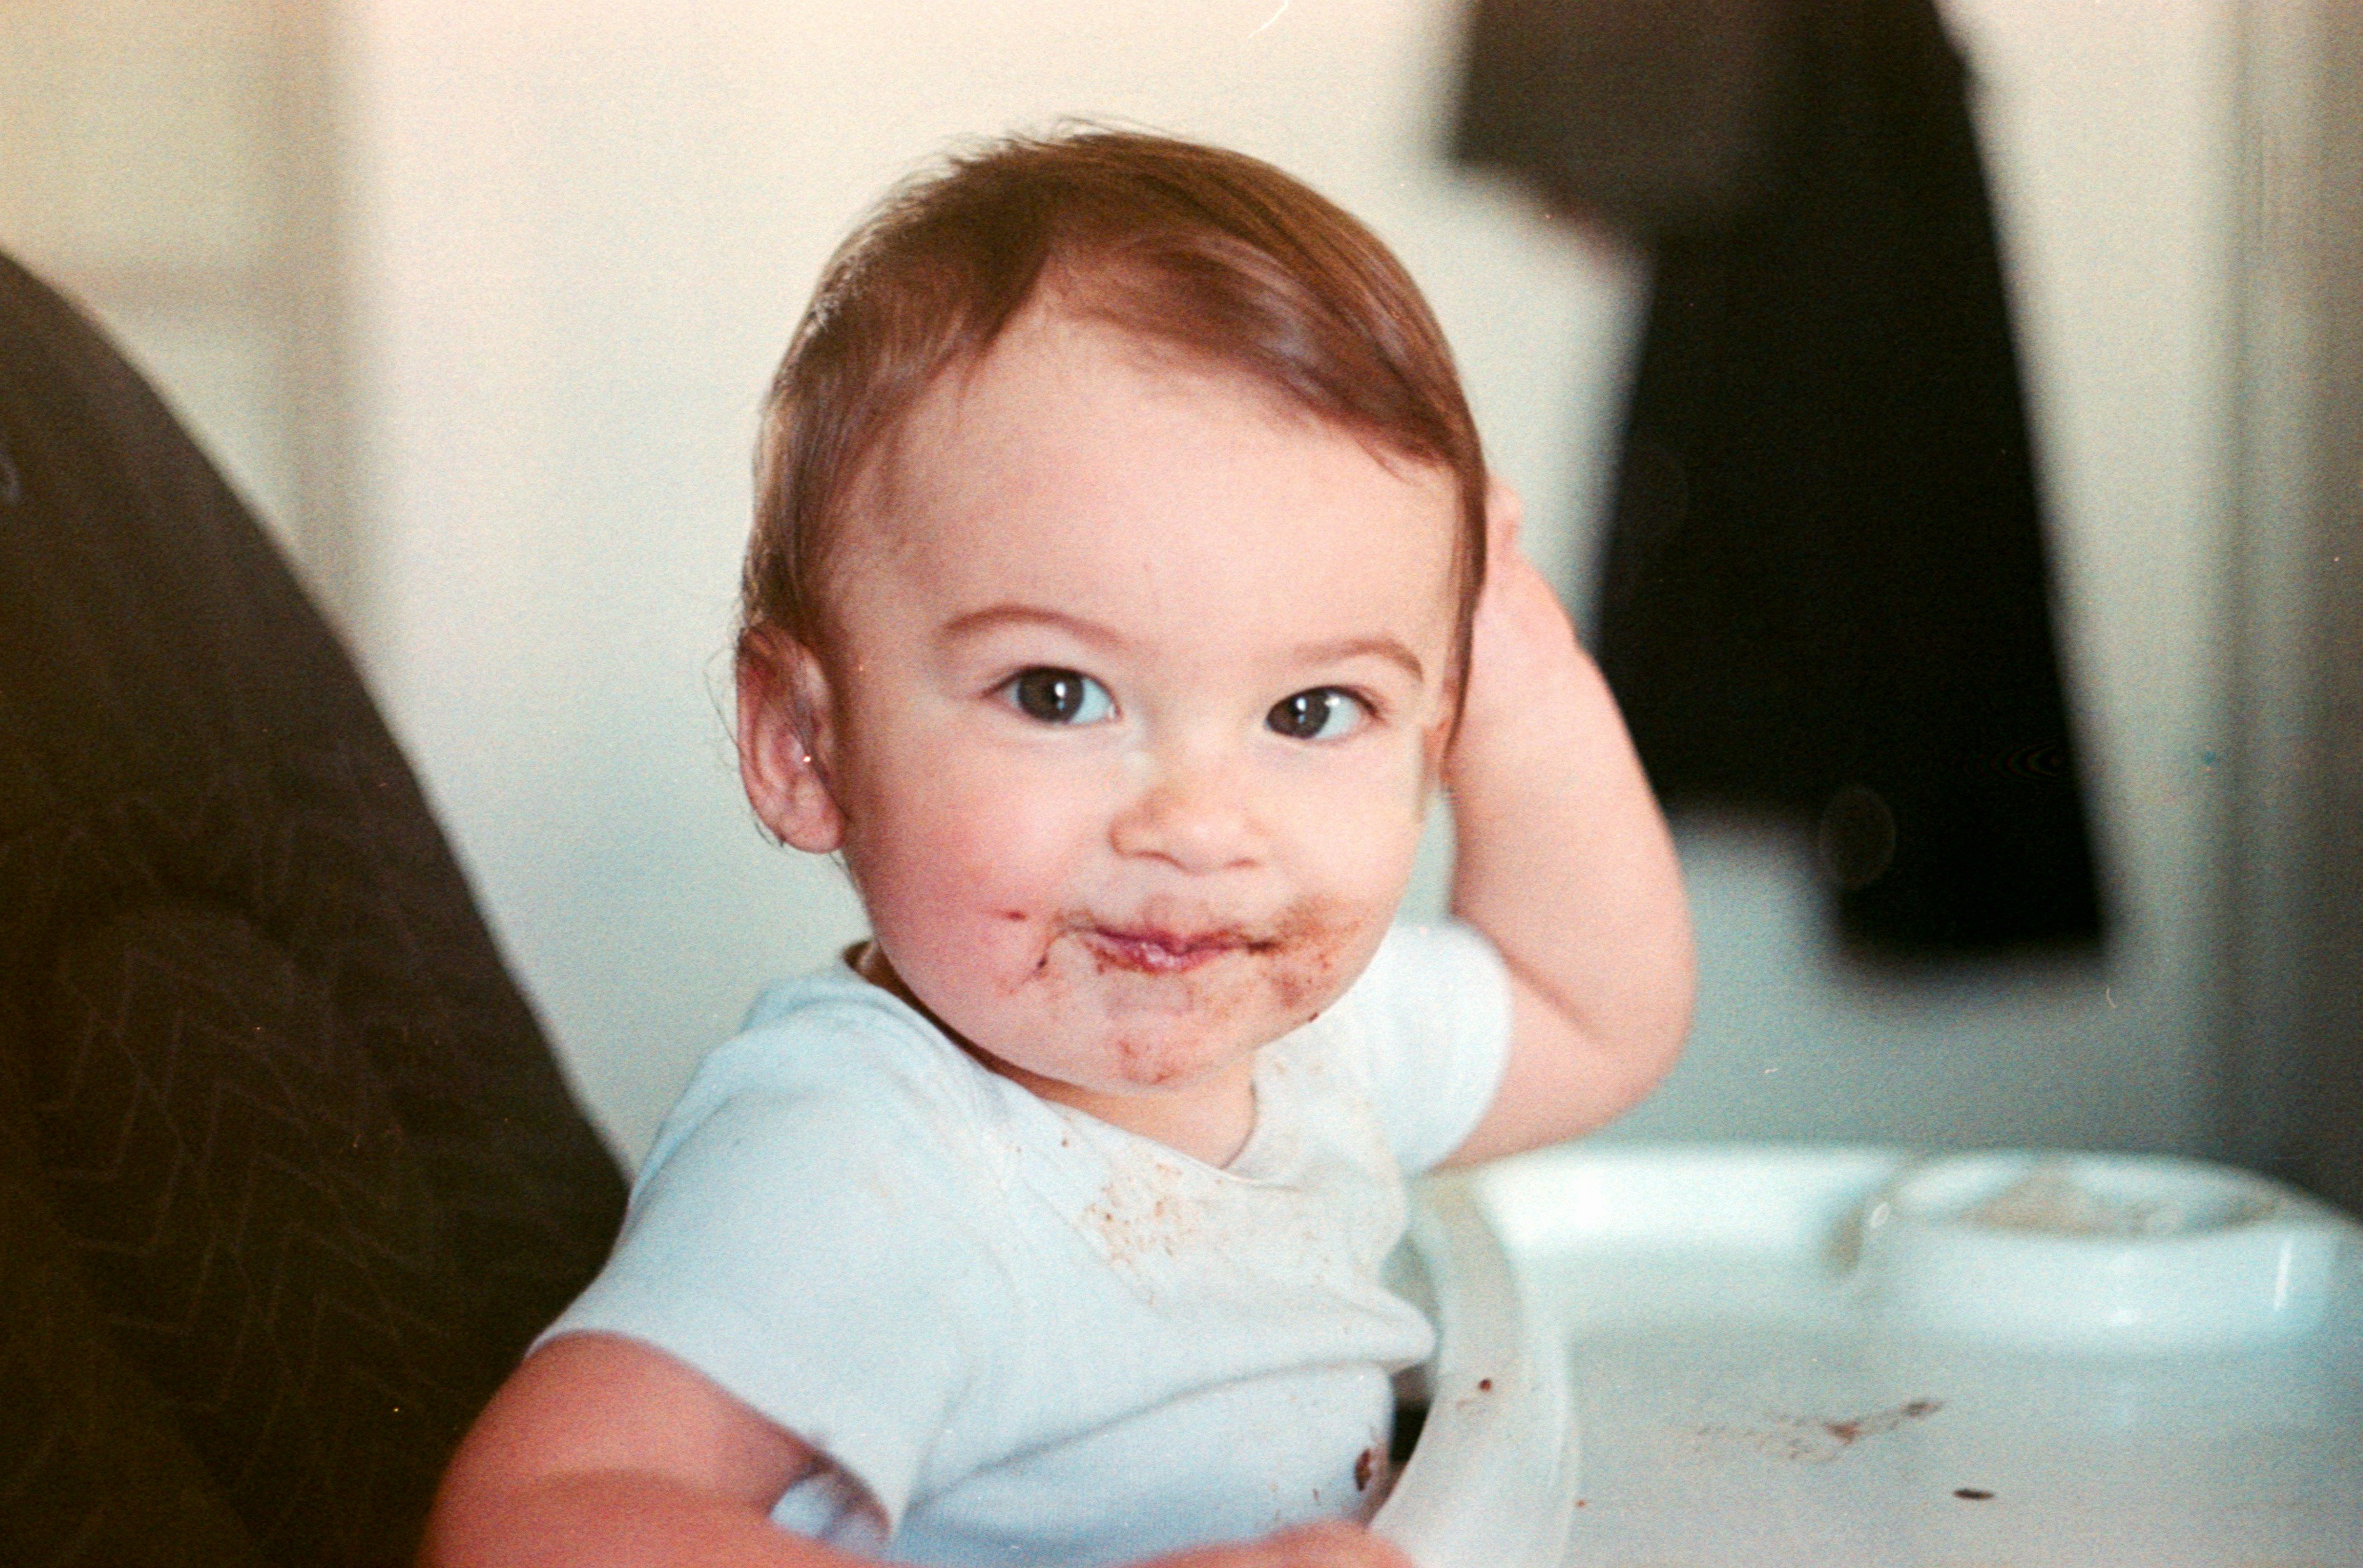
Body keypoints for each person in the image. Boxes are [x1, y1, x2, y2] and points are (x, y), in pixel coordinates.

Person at [421, 129, 1692, 1568]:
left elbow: (1594, 1009)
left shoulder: (1291, 1048)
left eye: (1311, 707)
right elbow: (532, 1526)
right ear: (803, 745)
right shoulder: (861, 1157)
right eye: (1056, 693)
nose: (1200, 826)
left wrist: (1518, 661)